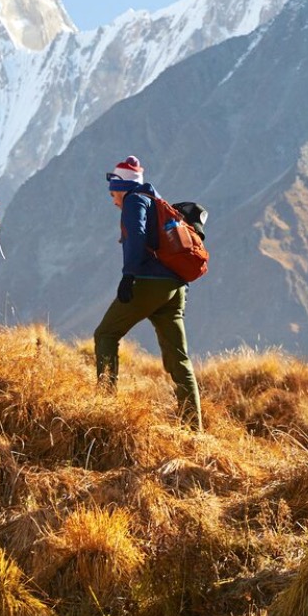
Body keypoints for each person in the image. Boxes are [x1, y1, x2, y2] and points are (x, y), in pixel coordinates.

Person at [91, 156, 202, 429]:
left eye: (113, 192)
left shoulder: (134, 201)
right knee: (179, 358)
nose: (112, 198)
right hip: (175, 287)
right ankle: (193, 427)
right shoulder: (156, 200)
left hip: (149, 282)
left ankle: (105, 407)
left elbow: (137, 235)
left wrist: (129, 275)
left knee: (105, 335)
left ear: (120, 187)